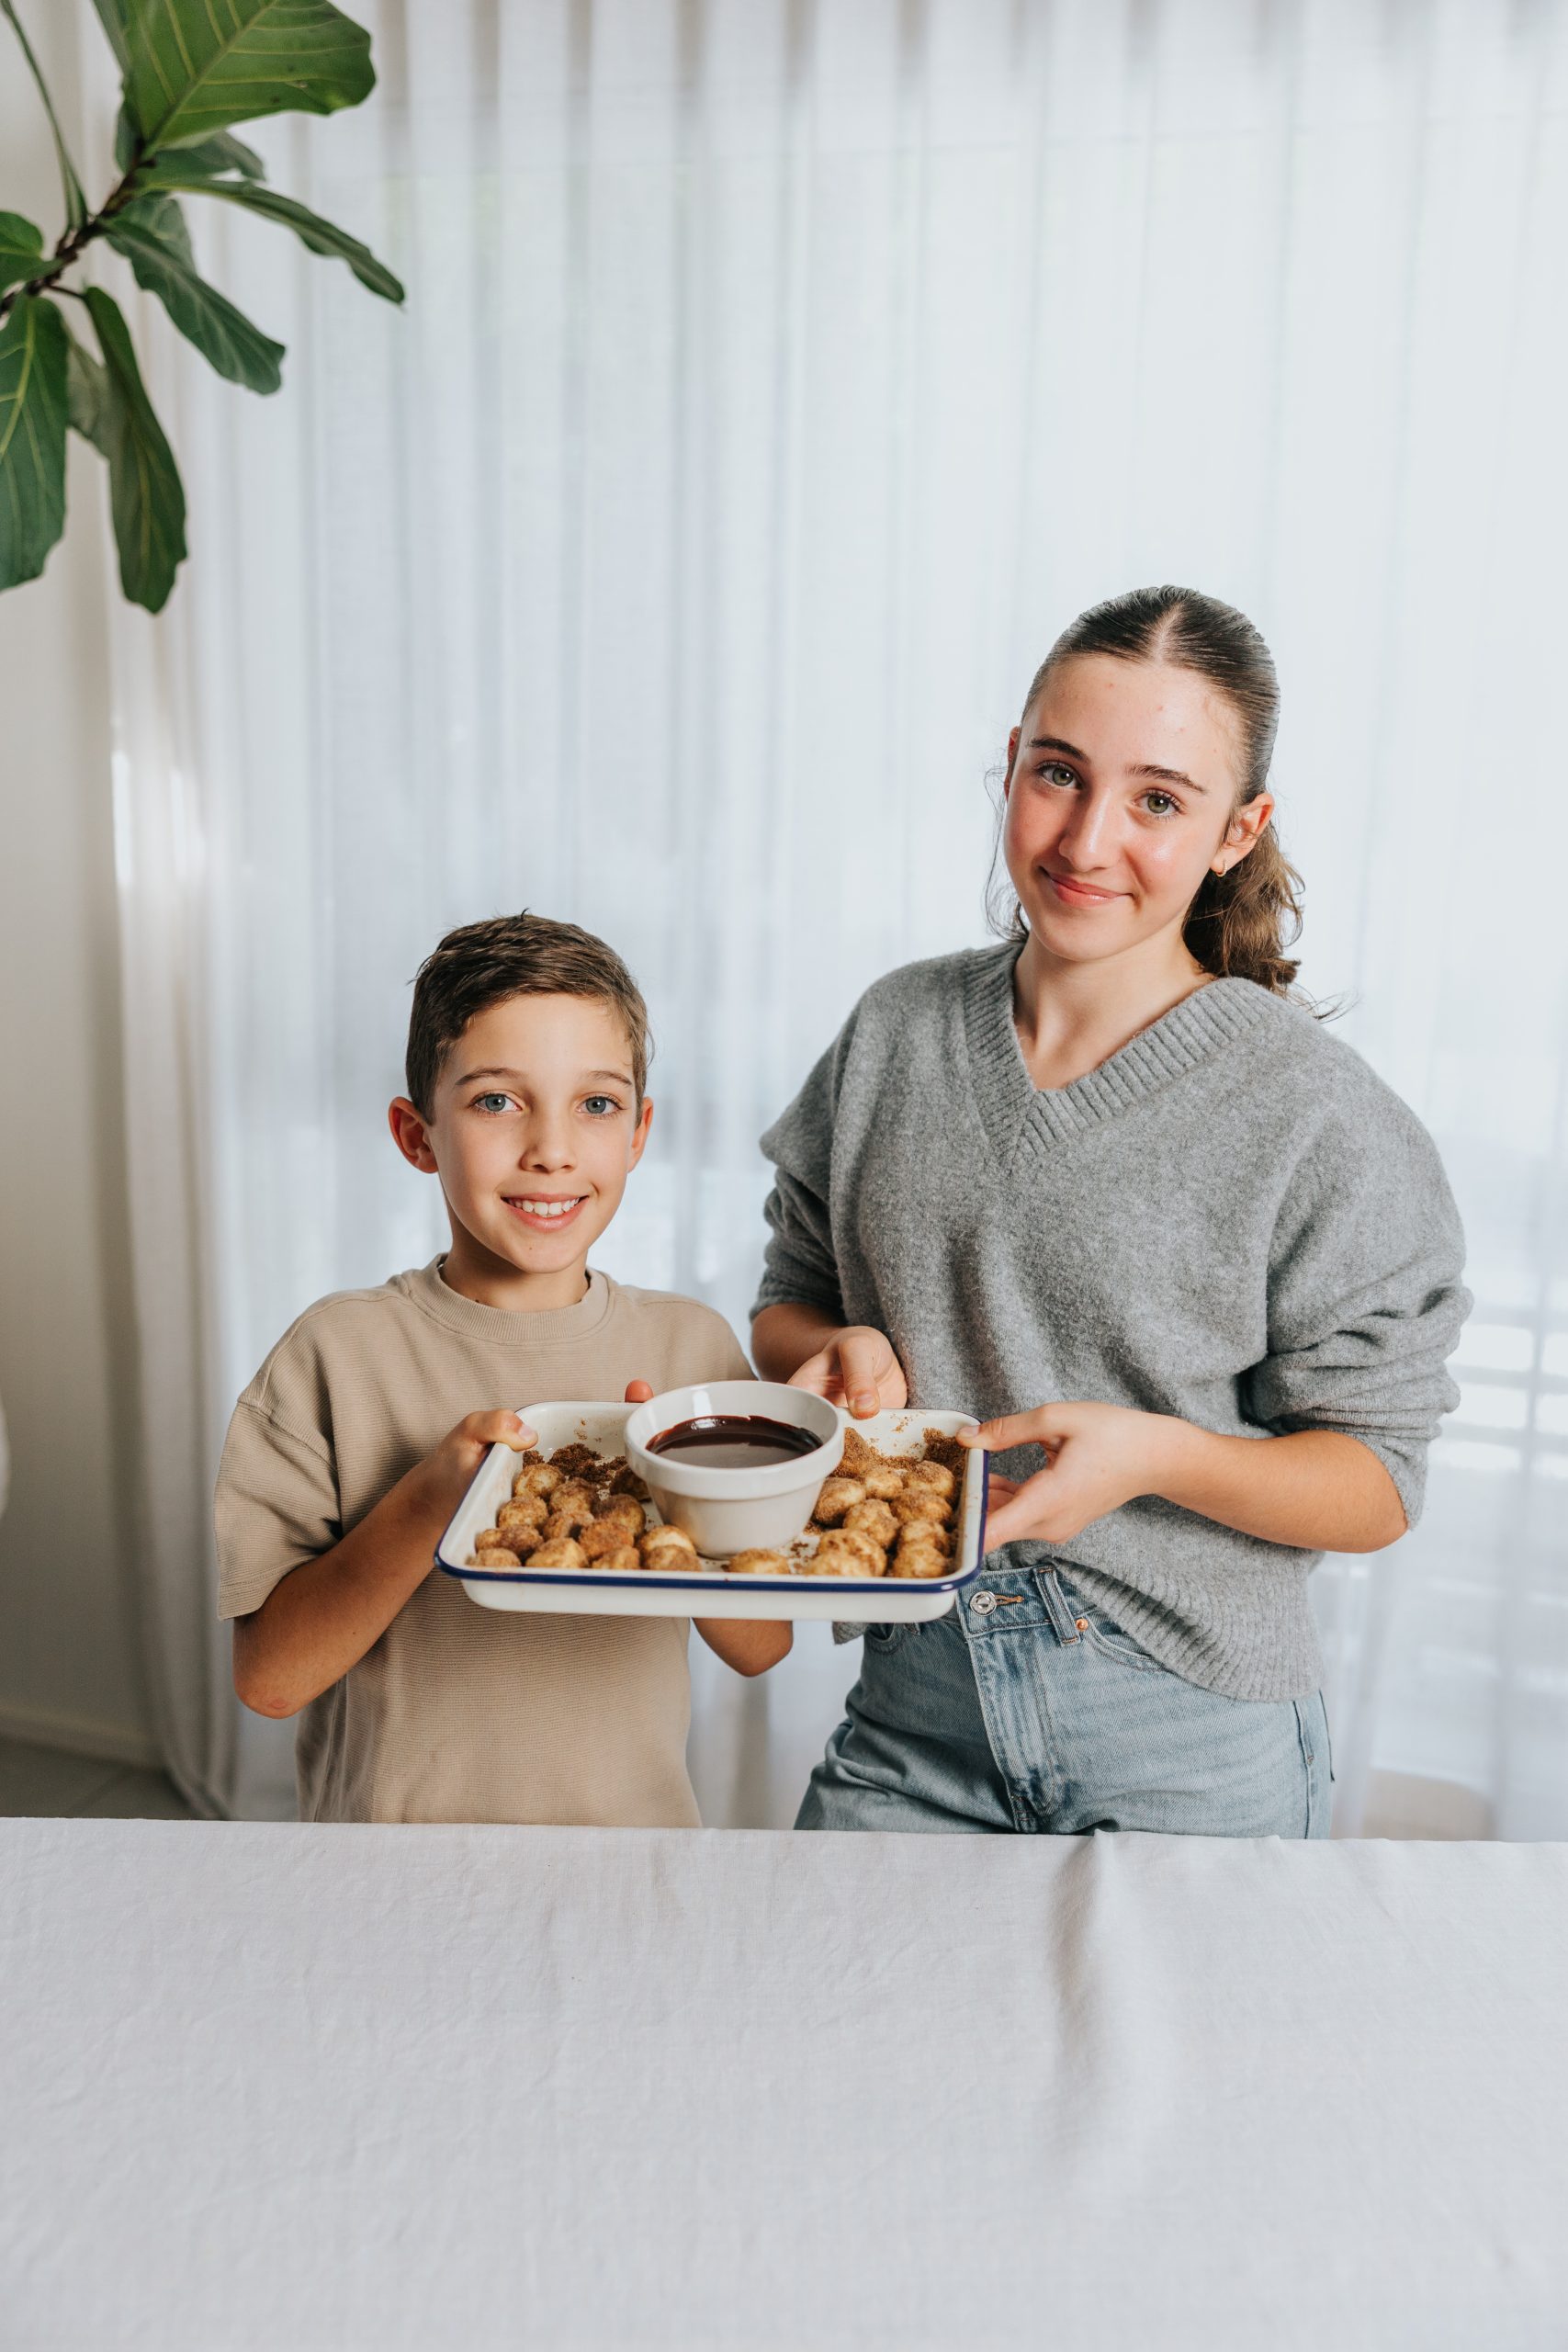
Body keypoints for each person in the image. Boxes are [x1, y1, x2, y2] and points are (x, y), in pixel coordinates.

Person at [753, 585, 1470, 1838]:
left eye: (1155, 799)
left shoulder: (1310, 1112)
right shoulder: (893, 1032)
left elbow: (1375, 1481)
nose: (1085, 842)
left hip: (1184, 1741)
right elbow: (786, 1306)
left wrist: (1153, 1458)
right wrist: (834, 1353)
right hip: (914, 1711)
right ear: (1009, 769)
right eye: (1056, 774)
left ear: (1236, 829)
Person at [218, 912, 789, 1825]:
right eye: (496, 1101)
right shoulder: (333, 1355)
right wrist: (433, 1498)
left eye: (595, 1104)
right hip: (391, 1879)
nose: (552, 1149)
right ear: (418, 1135)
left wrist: (671, 1489)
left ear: (638, 1133)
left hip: (631, 1865)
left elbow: (761, 1643)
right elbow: (272, 1679)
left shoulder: (692, 1355)